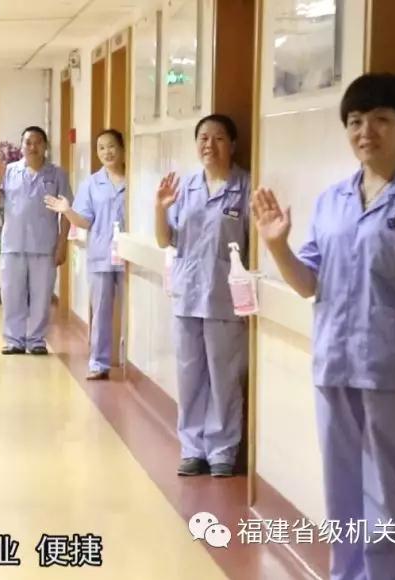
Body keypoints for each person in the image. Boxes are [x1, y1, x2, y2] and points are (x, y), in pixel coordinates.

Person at [253, 73, 395, 579]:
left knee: (392, 497)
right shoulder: (332, 201)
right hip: (335, 366)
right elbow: (308, 283)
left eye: (382, 120)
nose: (367, 132)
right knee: (342, 494)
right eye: (356, 121)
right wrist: (276, 245)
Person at [154, 114, 250, 478]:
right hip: (187, 293)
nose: (209, 144)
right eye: (203, 138)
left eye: (219, 137)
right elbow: (166, 240)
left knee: (224, 377)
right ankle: (193, 448)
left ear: (233, 145)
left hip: (225, 297)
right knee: (189, 375)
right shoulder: (186, 187)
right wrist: (160, 208)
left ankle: (223, 449)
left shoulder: (245, 187)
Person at [45, 129, 126, 380]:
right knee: (101, 312)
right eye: (101, 148)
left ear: (122, 148)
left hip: (129, 258)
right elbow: (84, 221)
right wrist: (67, 211)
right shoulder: (91, 183)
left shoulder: (134, 178)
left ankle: (129, 360)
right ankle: (99, 362)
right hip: (101, 256)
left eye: (111, 146)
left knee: (132, 313)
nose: (107, 152)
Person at [0, 126, 71, 355]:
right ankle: (14, 340)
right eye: (28, 142)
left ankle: (36, 340)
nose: (33, 147)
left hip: (45, 247)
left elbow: (66, 213)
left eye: (38, 142)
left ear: (45, 146)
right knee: (12, 296)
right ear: (22, 146)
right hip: (13, 245)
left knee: (42, 297)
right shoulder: (9, 171)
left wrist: (62, 244)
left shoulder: (57, 174)